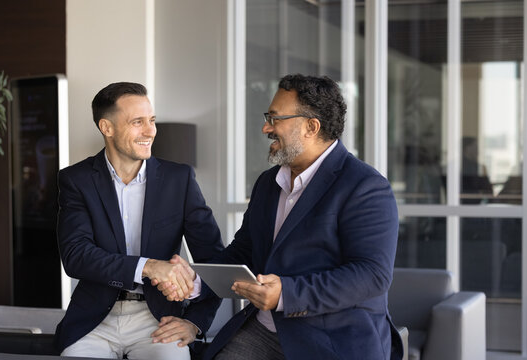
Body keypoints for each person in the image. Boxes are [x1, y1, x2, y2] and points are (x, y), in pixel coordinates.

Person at [163, 74, 402, 359]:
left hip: (332, 339)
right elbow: (245, 252)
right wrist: (196, 278)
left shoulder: (365, 186)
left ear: (311, 127)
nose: (266, 127)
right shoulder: (268, 182)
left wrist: (286, 294)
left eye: (275, 119)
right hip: (264, 330)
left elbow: (371, 275)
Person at [54, 82, 224, 360]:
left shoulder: (179, 179)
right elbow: (76, 256)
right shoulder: (76, 180)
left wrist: (194, 323)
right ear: (106, 128)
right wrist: (148, 267)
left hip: (159, 320)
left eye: (151, 121)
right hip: (95, 322)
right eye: (137, 122)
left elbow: (214, 261)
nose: (150, 131)